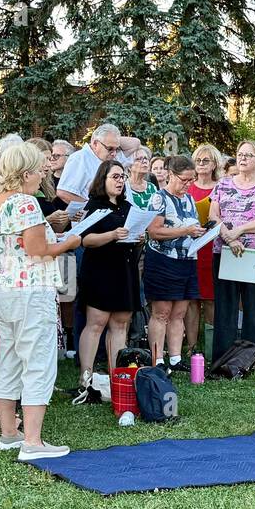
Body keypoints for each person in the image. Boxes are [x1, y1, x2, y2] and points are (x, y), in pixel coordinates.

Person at [0, 142, 80, 459]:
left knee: (9, 358)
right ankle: (33, 442)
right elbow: (38, 250)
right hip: (30, 291)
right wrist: (70, 242)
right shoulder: (26, 203)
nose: (44, 174)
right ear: (25, 173)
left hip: (4, 292)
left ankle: (10, 433)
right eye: (40, 169)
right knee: (38, 361)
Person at [74, 159, 139, 403]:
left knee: (120, 324)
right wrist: (113, 234)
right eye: (115, 177)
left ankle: (116, 377)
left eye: (122, 177)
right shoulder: (95, 206)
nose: (120, 181)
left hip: (124, 270)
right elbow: (85, 240)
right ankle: (85, 378)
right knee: (96, 323)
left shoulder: (128, 206)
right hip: (101, 269)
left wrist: (138, 235)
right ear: (103, 179)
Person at [210, 141, 255, 358]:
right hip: (226, 250)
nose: (242, 158)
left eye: (248, 155)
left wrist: (239, 230)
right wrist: (230, 239)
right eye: (240, 154)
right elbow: (213, 216)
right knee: (226, 304)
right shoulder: (222, 184)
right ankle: (224, 356)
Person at [143, 156, 206, 368]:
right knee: (162, 312)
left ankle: (176, 358)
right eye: (185, 180)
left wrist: (199, 232)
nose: (189, 184)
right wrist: (185, 230)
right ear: (171, 175)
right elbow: (153, 231)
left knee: (179, 312)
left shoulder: (188, 199)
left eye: (192, 180)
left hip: (187, 259)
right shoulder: (159, 198)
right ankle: (157, 358)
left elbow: (191, 225)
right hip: (163, 260)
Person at [185, 144, 223, 356]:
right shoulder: (187, 186)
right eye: (198, 160)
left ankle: (210, 349)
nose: (200, 164)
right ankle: (191, 347)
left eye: (205, 160)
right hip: (191, 247)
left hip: (213, 247)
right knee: (191, 300)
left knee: (210, 299)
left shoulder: (222, 187)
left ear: (215, 164)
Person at [56, 124, 119, 206]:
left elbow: (135, 143)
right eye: (110, 149)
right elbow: (64, 193)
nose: (114, 154)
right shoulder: (80, 159)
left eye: (117, 149)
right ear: (95, 143)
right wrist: (92, 207)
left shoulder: (103, 157)